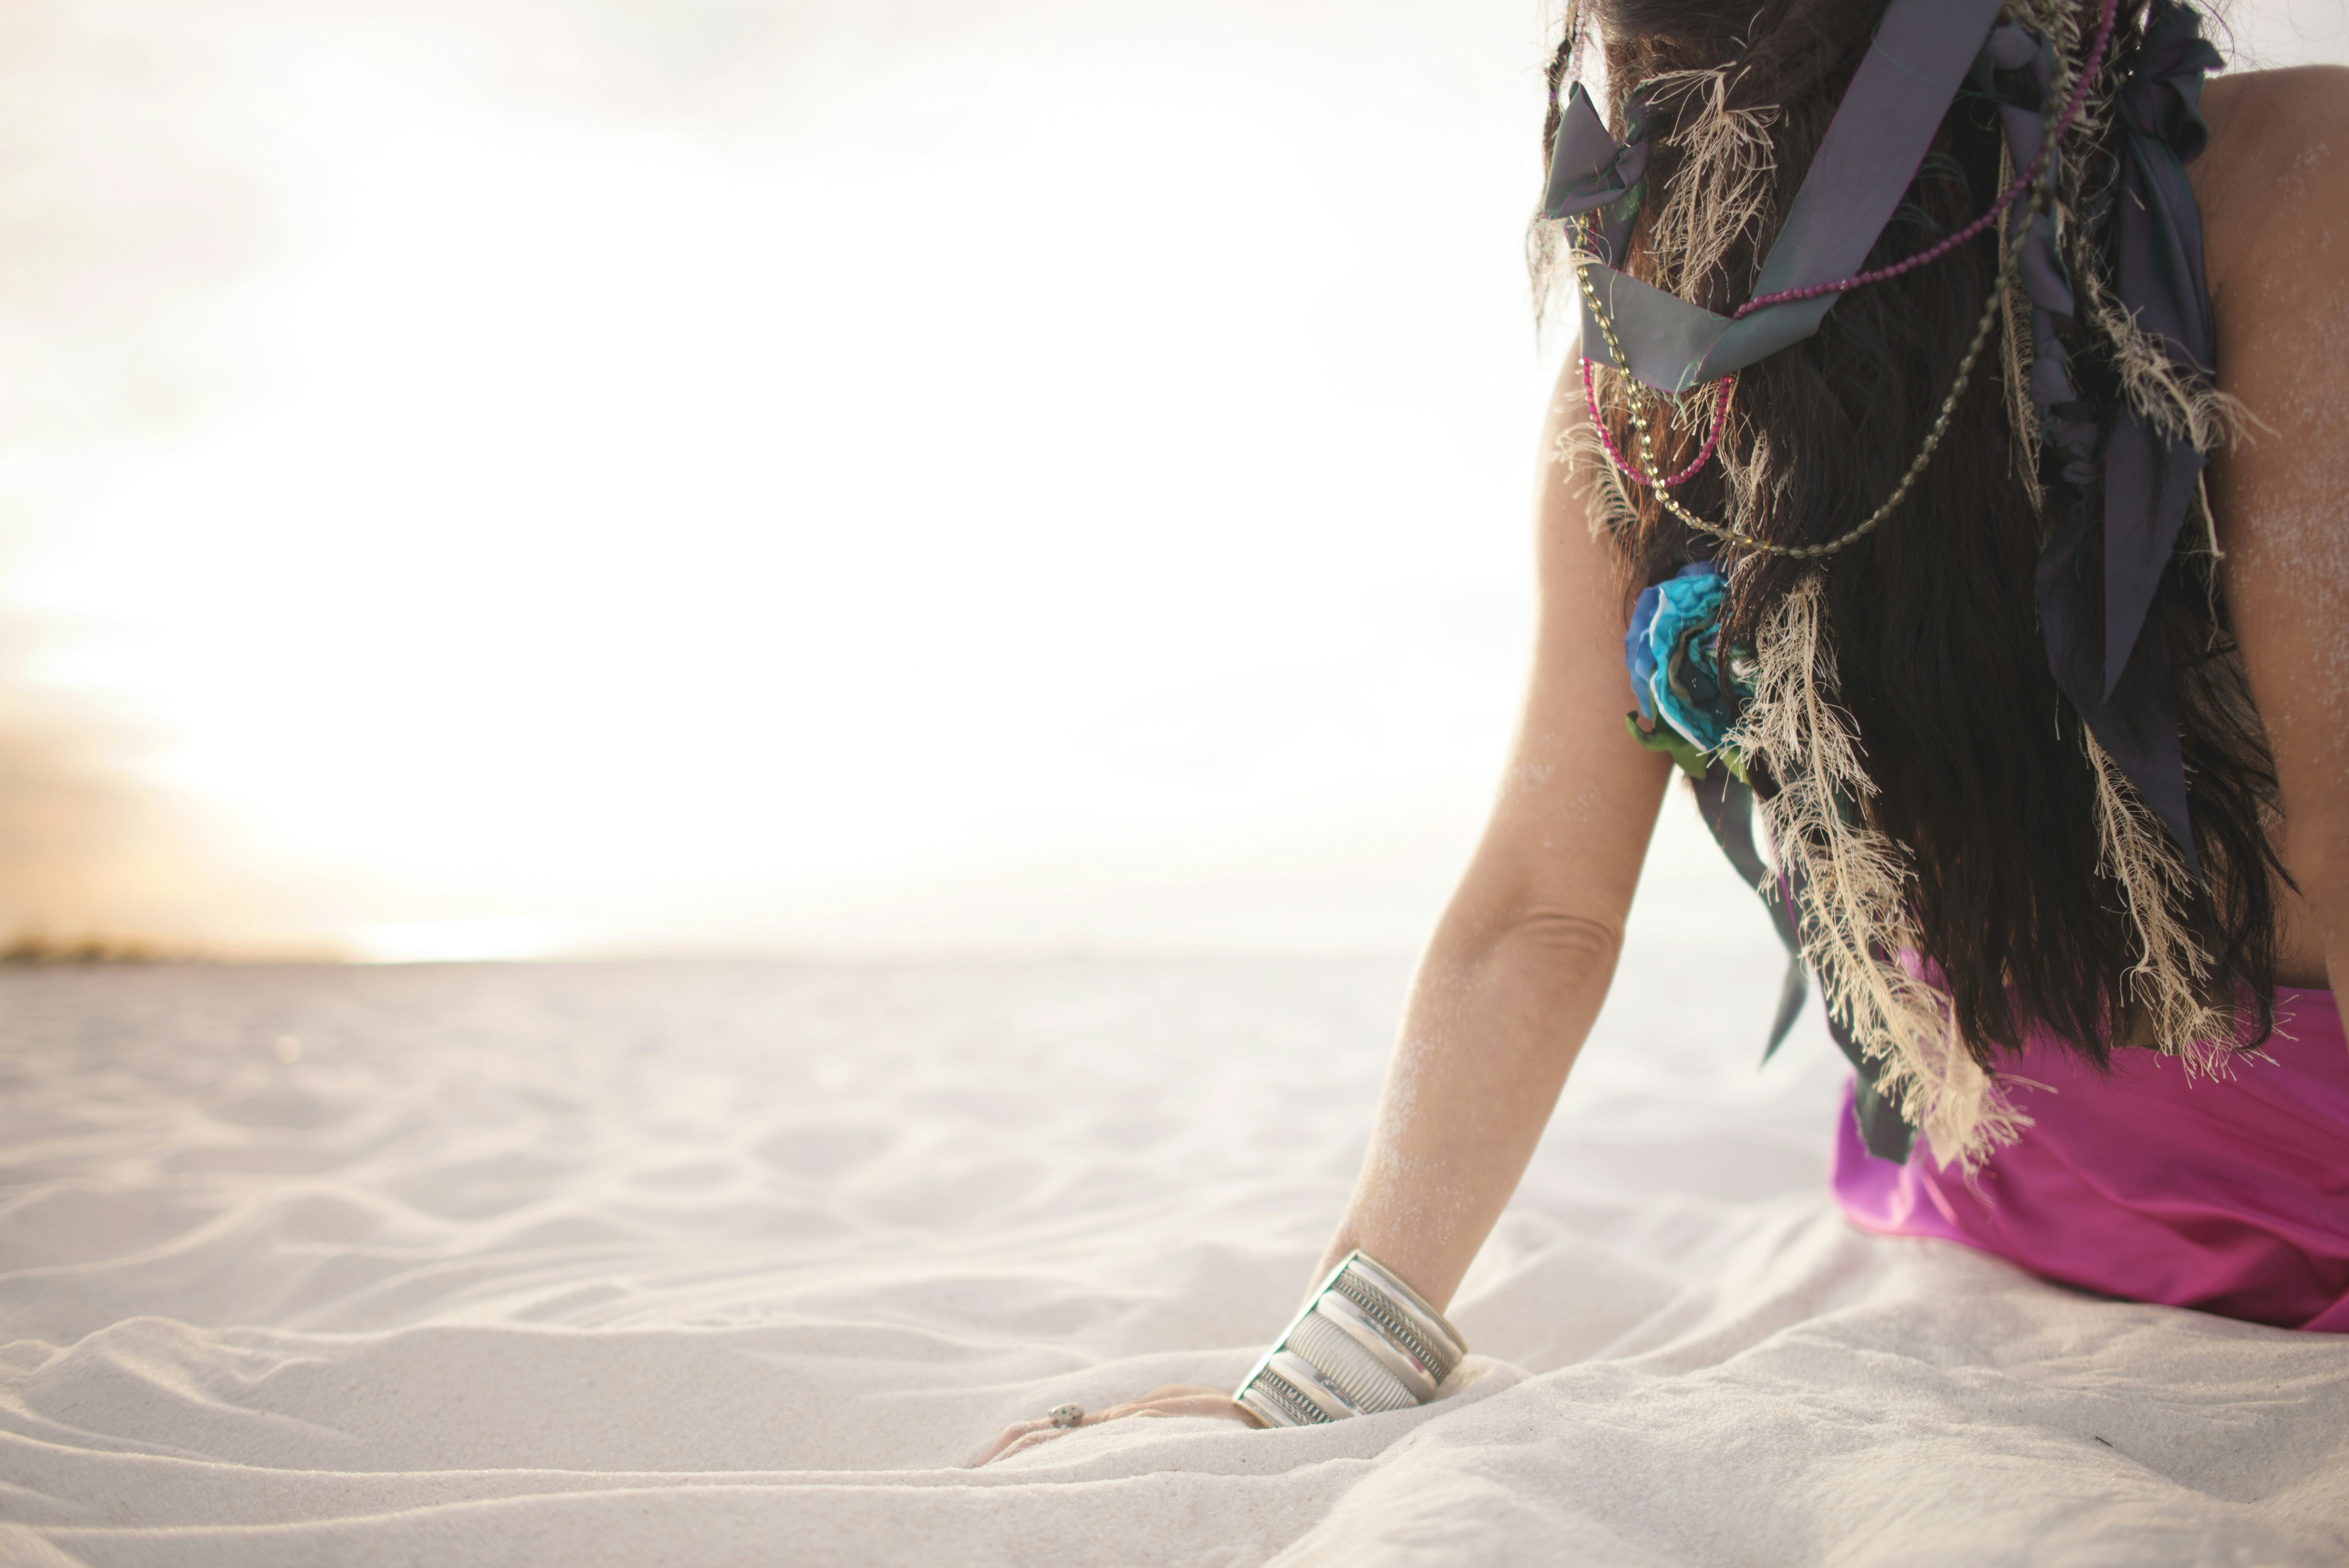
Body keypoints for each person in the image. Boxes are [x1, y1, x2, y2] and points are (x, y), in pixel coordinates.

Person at [978, 0, 2349, 1464]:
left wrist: (1323, 1378)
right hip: (2023, 1180)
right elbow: (1541, 909)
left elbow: (1542, 918)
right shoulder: (1645, 372)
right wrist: (1310, 1387)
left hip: (2141, 1184)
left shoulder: (2281, 190)